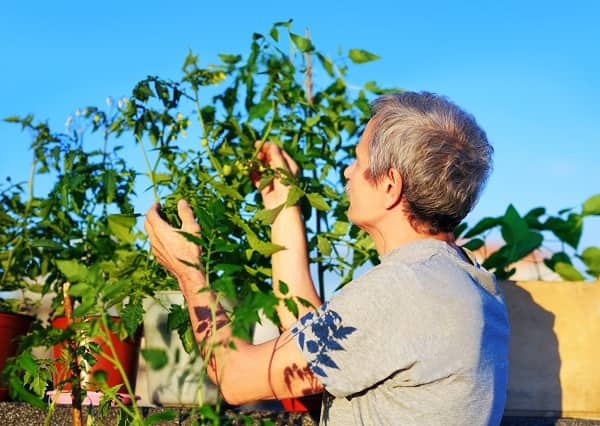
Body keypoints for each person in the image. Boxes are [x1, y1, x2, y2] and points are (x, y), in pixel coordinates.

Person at [144, 91, 510, 425]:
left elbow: (237, 378)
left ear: (389, 185)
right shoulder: (466, 283)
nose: (348, 171)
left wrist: (190, 271)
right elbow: (311, 338)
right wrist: (282, 204)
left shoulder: (402, 288)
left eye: (358, 159)